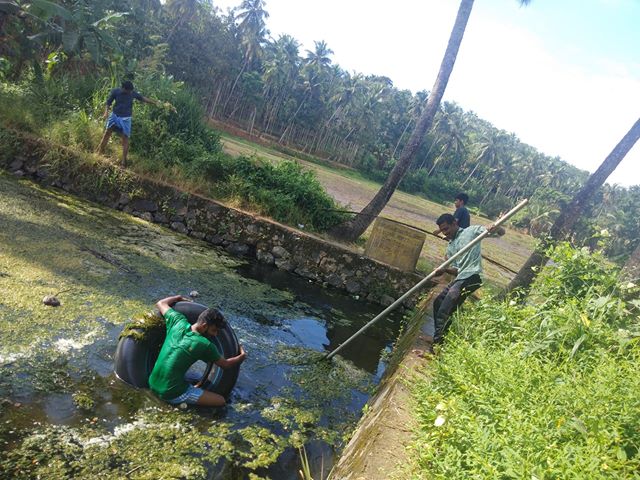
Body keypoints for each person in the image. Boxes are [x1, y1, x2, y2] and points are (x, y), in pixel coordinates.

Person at [419, 213, 505, 353]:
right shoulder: (451, 246)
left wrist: (496, 226)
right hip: (461, 278)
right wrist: (445, 270)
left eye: (447, 228)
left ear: (454, 223)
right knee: (438, 303)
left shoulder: (471, 232)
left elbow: (501, 233)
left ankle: (436, 348)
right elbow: (456, 270)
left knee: (445, 309)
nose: (445, 233)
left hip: (472, 276)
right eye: (443, 230)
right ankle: (438, 338)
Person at [148, 294, 246, 407]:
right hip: (170, 393)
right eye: (214, 330)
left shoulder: (177, 321)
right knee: (221, 401)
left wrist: (178, 298)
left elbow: (161, 303)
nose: (215, 334)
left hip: (152, 383)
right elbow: (226, 364)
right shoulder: (204, 344)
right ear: (204, 326)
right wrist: (242, 356)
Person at [96, 80, 174, 167]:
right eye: (128, 90)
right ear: (123, 88)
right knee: (107, 133)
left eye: (131, 91)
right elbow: (108, 102)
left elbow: (143, 98)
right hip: (114, 116)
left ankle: (124, 162)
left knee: (125, 139)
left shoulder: (132, 93)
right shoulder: (116, 92)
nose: (130, 92)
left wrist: (156, 103)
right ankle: (99, 152)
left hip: (126, 119)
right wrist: (106, 112)